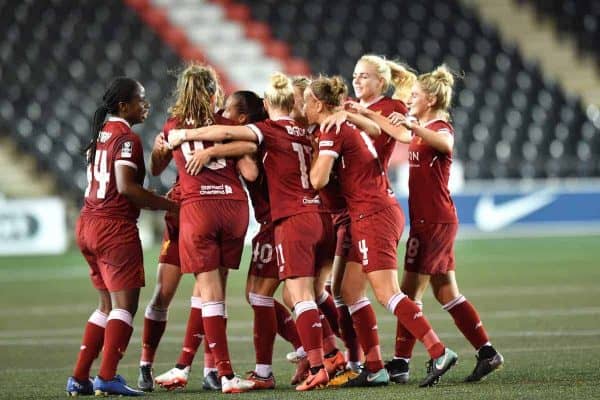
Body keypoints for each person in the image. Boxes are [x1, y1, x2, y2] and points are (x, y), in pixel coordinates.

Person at [168, 72, 335, 391]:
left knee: (266, 294)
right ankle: (323, 352)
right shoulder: (301, 131)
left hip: (282, 221)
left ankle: (308, 357)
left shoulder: (263, 133)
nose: (225, 116)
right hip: (312, 214)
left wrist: (205, 147)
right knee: (301, 292)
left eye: (230, 111)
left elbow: (250, 168)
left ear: (244, 117)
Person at [307, 75, 458, 388]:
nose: (302, 106)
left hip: (372, 213)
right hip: (368, 212)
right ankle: (374, 367)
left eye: (306, 101)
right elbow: (375, 130)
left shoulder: (332, 129)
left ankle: (439, 350)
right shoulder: (346, 123)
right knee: (349, 290)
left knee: (387, 292)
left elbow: (317, 180)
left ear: (318, 104)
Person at [360, 65, 504, 383]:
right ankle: (487, 353)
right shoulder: (420, 125)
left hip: (434, 221)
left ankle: (400, 363)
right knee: (446, 292)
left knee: (409, 293)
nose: (410, 100)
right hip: (430, 219)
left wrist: (414, 126)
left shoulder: (439, 126)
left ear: (431, 99)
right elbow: (402, 114)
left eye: (415, 96)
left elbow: (445, 144)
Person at [66, 77, 178, 397]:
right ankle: (107, 376)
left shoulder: (100, 133)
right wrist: (170, 205)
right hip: (113, 227)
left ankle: (80, 378)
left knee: (105, 306)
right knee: (124, 307)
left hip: (87, 223)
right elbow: (128, 189)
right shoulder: (127, 138)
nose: (146, 104)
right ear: (123, 106)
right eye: (140, 99)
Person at [138, 94, 256, 392]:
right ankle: (147, 364)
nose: (221, 104)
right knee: (165, 293)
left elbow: (247, 151)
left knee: (207, 292)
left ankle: (207, 369)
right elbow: (155, 167)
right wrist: (158, 149)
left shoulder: (222, 125)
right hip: (184, 212)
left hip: (202, 212)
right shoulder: (179, 125)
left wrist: (212, 150)